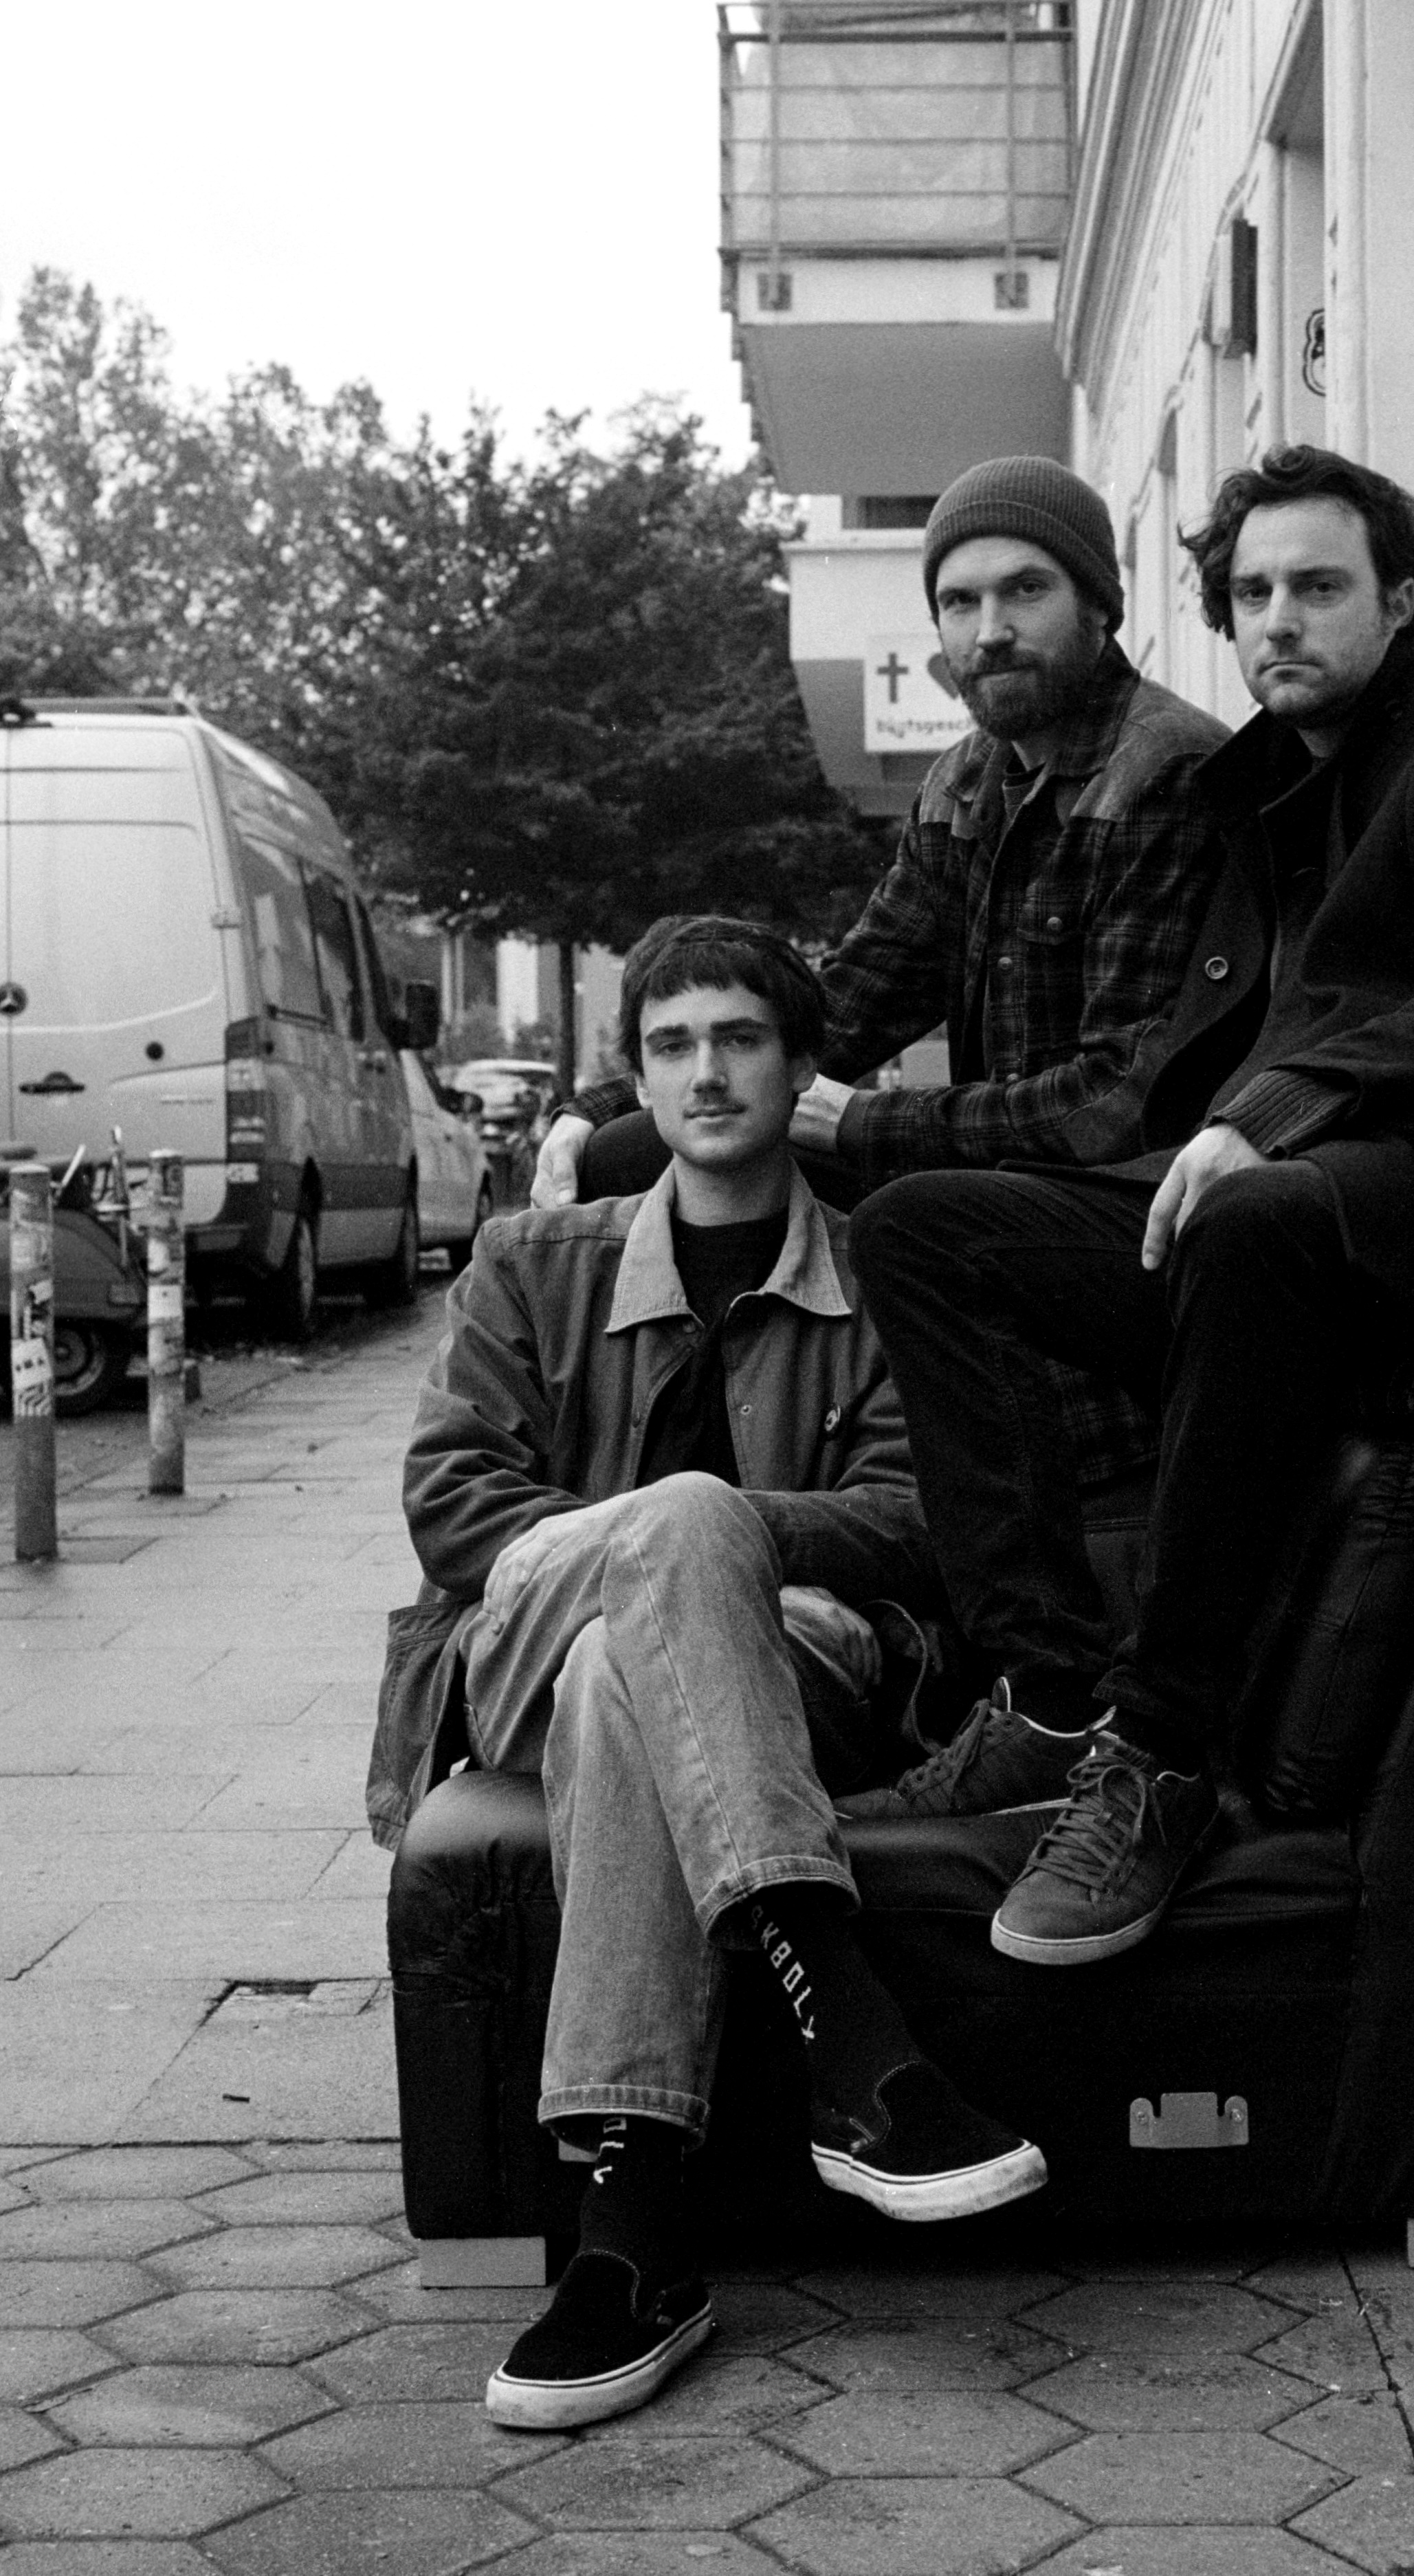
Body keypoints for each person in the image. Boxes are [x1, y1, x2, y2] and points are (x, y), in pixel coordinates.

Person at [846, 443, 1414, 1968]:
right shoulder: (1269, 791)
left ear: (1403, 600)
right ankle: (1048, 1692)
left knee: (1247, 1216)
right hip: (1308, 1221)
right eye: (1250, 595)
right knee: (927, 1227)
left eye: (1318, 586)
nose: (1279, 620)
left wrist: (1271, 1115)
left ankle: (1159, 1755)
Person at [389, 914, 1046, 2436]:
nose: (706, 1073)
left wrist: (729, 1546)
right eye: (673, 1044)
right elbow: (454, 1504)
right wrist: (681, 1535)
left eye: (740, 1038)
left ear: (802, 1064)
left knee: (628, 1667)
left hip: (803, 1659)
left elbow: (921, 1521)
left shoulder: (882, 1269)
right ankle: (851, 2037)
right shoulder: (530, 1261)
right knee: (665, 1549)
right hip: (523, 1639)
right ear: (635, 1075)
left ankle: (630, 2236)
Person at [532, 454, 1227, 1226]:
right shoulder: (963, 785)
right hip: (989, 1177)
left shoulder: (1166, 771)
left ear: (1099, 605)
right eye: (959, 602)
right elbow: (842, 1007)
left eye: (1026, 590)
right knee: (631, 1156)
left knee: (901, 1217)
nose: (990, 632)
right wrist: (605, 1106)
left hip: (1130, 1197)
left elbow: (1117, 1101)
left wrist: (861, 1121)